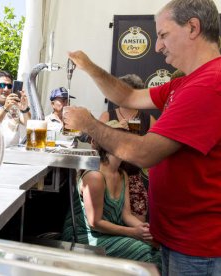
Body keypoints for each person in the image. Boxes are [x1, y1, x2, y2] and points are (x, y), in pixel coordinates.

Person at [64, 0, 221, 274]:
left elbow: (143, 153)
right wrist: (89, 67)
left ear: (193, 27)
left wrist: (89, 123)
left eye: (163, 35)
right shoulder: (185, 82)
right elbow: (127, 95)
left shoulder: (210, 84)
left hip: (199, 246)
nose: (158, 46)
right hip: (179, 238)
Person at [62, 120, 161, 268]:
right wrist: (133, 232)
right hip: (84, 237)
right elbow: (94, 223)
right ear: (109, 144)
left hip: (108, 233)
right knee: (146, 253)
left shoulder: (122, 174)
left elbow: (126, 215)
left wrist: (146, 231)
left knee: (159, 248)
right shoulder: (95, 176)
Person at [99, 74, 156, 222]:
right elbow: (95, 144)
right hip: (109, 177)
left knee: (139, 224)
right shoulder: (107, 115)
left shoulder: (148, 119)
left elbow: (155, 148)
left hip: (133, 178)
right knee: (109, 220)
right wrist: (114, 130)